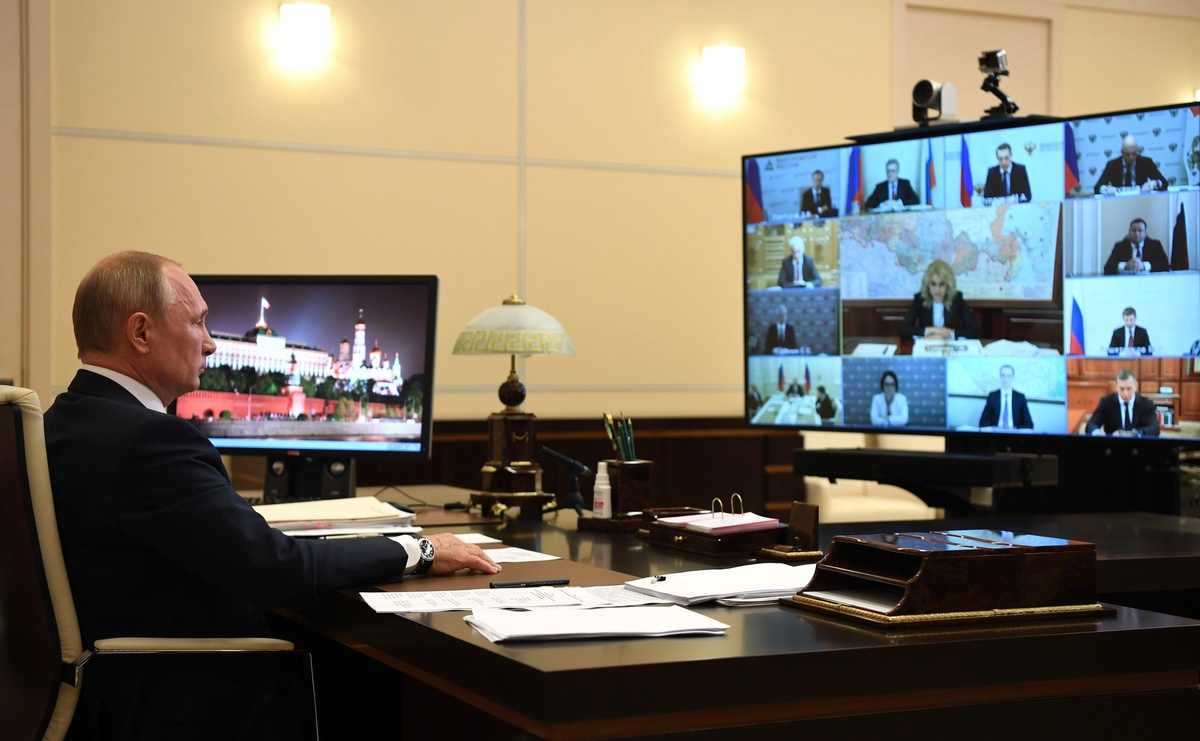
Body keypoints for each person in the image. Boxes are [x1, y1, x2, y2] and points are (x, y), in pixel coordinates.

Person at [43, 251, 501, 739]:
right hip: (187, 699)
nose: (211, 343)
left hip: (105, 695)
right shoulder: (150, 440)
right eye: (197, 323)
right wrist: (418, 549)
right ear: (140, 333)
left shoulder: (60, 422)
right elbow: (278, 570)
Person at [899, 260, 978, 341]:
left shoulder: (957, 299)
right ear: (928, 285)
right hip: (927, 343)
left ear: (948, 285)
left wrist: (950, 334)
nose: (937, 289)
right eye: (933, 284)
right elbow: (904, 330)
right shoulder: (920, 299)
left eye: (942, 284)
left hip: (950, 345)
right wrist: (932, 331)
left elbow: (973, 331)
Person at [1085, 369, 1160, 437]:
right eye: (1121, 389)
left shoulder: (1147, 404)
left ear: (1135, 386)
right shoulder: (1106, 402)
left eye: (1129, 388)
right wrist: (1097, 433)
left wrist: (1135, 433)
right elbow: (1091, 424)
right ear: (1116, 387)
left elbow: (1155, 429)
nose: (1125, 393)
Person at [1093, 135, 1167, 195]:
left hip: (1141, 200)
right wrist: (1105, 189)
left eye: (1134, 153)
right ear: (1122, 152)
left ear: (1137, 151)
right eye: (1127, 154)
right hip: (1118, 202)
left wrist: (1155, 183)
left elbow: (1164, 182)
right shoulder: (1112, 165)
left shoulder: (1146, 162)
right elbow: (1097, 187)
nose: (1131, 157)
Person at [1103, 218, 1170, 275]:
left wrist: (1144, 266)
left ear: (1145, 233)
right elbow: (1108, 267)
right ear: (1129, 232)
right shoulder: (1120, 246)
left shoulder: (1155, 245)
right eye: (1134, 230)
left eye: (1140, 231)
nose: (1137, 233)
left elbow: (1165, 265)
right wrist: (1125, 266)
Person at [978, 364, 1034, 430]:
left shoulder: (1020, 397)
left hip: (1014, 433)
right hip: (996, 432)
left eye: (1008, 376)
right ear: (1000, 377)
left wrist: (1016, 430)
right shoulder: (992, 396)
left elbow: (1029, 423)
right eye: (1003, 375)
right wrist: (993, 429)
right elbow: (983, 421)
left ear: (1013, 377)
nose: (1006, 379)